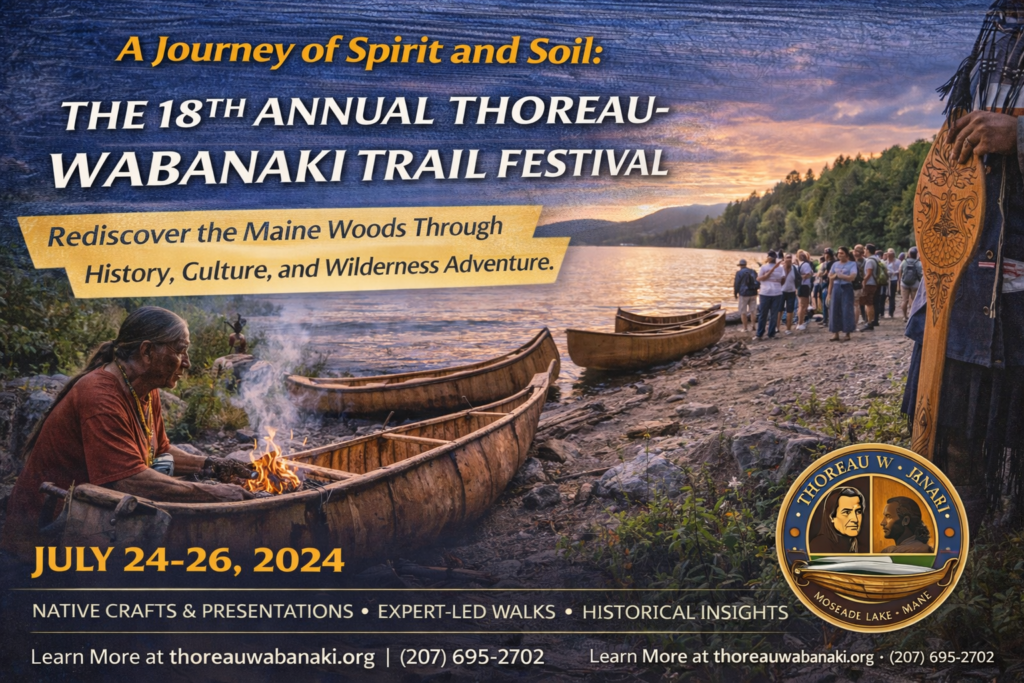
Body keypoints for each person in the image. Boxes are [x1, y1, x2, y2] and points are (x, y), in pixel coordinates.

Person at [1, 306, 254, 560]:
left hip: (89, 519)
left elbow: (161, 451)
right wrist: (215, 494)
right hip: (46, 536)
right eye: (180, 350)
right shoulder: (99, 395)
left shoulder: (145, 388)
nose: (186, 362)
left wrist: (211, 463)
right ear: (146, 351)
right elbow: (128, 479)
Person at [903, 0, 1024, 526]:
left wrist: (1019, 136)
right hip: (963, 252)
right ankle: (956, 517)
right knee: (951, 410)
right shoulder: (994, 26)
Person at [809, 486, 865, 553]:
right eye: (846, 512)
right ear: (831, 517)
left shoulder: (854, 544)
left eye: (858, 511)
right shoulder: (819, 545)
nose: (855, 519)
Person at [827, 246, 858, 342]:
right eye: (839, 253)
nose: (839, 255)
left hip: (846, 287)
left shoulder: (852, 264)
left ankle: (847, 332)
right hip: (836, 288)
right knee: (834, 309)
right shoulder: (835, 264)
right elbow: (830, 277)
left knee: (847, 309)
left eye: (842, 253)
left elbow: (852, 276)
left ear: (847, 255)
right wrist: (829, 293)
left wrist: (843, 276)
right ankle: (835, 333)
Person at [754, 250, 785, 340]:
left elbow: (759, 279)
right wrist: (777, 285)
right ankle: (766, 333)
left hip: (768, 293)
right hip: (771, 293)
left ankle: (763, 334)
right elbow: (783, 280)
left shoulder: (777, 268)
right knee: (770, 314)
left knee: (766, 314)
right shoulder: (767, 267)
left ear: (769, 258)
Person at [732, 258, 759, 333]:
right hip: (753, 293)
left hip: (743, 294)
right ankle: (754, 327)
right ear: (746, 265)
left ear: (740, 265)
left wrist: (735, 293)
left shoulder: (739, 273)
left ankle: (745, 328)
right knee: (753, 310)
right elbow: (757, 280)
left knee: (743, 311)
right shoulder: (753, 271)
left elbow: (736, 284)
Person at [860, 244, 881, 331]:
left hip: (869, 284)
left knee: (868, 303)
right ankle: (870, 321)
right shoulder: (876, 259)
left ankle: (869, 322)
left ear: (868, 250)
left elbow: (869, 273)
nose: (864, 250)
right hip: (874, 283)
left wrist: (863, 282)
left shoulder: (869, 261)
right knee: (870, 303)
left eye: (865, 249)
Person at [899, 246, 923, 321]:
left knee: (904, 300)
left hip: (904, 283)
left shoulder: (904, 261)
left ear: (909, 254)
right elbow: (920, 274)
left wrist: (901, 280)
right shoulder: (918, 263)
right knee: (914, 300)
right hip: (915, 284)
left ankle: (904, 316)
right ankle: (912, 315)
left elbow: (900, 270)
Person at [777, 252, 798, 335]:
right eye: (787, 257)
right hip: (781, 291)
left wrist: (797, 287)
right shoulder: (780, 268)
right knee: (779, 310)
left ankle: (788, 329)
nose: (788, 259)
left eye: (790, 257)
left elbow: (800, 278)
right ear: (784, 259)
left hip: (791, 292)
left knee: (790, 310)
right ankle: (777, 327)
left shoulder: (795, 268)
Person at [815, 248, 836, 326]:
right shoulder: (826, 263)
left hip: (827, 284)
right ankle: (825, 319)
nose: (825, 255)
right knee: (825, 302)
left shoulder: (831, 263)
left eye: (826, 254)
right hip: (824, 283)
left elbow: (827, 274)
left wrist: (821, 274)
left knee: (827, 303)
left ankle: (827, 320)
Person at [795, 250, 815, 330]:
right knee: (802, 305)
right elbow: (807, 275)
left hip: (802, 286)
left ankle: (801, 322)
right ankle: (800, 323)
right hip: (804, 286)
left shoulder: (801, 264)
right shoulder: (806, 264)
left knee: (803, 305)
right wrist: (809, 275)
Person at [885, 249, 901, 319]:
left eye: (890, 256)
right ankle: (882, 312)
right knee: (884, 296)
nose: (889, 257)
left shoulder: (898, 262)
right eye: (888, 255)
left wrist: (895, 272)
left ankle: (891, 312)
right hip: (886, 280)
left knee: (892, 296)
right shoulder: (885, 262)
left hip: (893, 280)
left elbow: (900, 270)